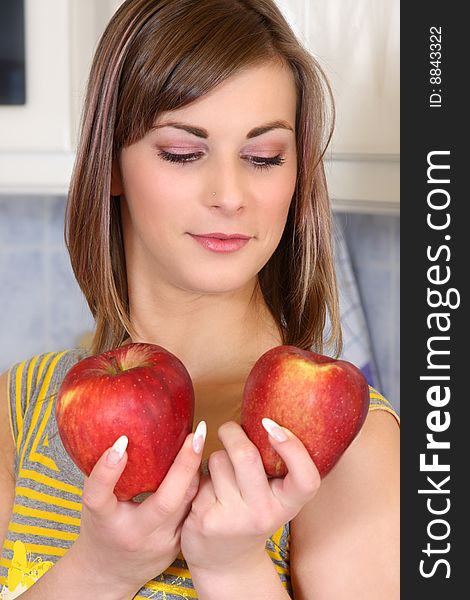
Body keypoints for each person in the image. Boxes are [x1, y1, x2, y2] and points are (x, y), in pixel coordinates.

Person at [0, 0, 400, 598]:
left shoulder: (346, 443)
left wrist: (233, 569)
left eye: (263, 157)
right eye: (183, 152)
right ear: (109, 162)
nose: (230, 194)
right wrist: (99, 569)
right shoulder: (23, 405)